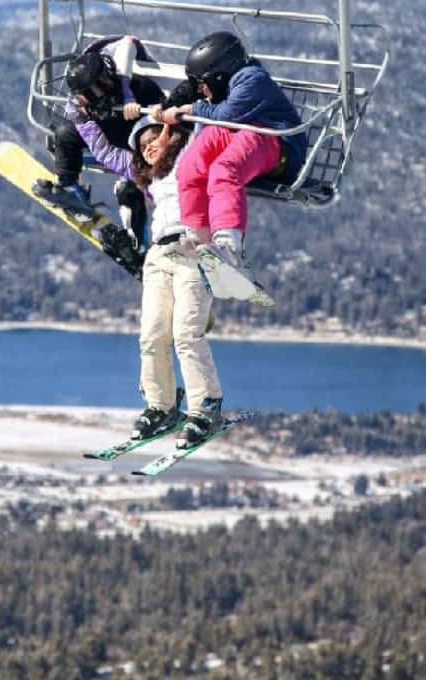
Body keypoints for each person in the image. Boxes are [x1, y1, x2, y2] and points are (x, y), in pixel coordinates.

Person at [155, 31, 308, 282]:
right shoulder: (225, 82)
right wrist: (171, 106)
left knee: (223, 169)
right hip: (244, 133)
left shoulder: (252, 79)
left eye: (203, 84)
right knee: (190, 166)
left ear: (218, 74)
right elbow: (195, 97)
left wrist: (191, 109)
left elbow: (227, 114)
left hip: (275, 143)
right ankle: (198, 238)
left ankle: (229, 247)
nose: (202, 91)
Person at [126, 114, 224, 450]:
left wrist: (169, 114)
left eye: (153, 138)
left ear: (171, 135)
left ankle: (205, 408)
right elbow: (104, 151)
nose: (148, 147)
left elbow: (204, 124)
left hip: (193, 250)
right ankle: (161, 406)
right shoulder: (149, 176)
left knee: (186, 333)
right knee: (152, 335)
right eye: (141, 147)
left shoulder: (189, 156)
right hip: (159, 255)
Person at [32, 35, 165, 248]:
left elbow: (129, 43)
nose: (95, 96)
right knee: (66, 132)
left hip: (145, 141)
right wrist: (136, 169)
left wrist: (128, 93)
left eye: (100, 86)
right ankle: (70, 187)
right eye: (87, 94)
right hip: (115, 142)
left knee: (130, 190)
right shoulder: (78, 106)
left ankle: (141, 241)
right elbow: (103, 151)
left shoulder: (141, 88)